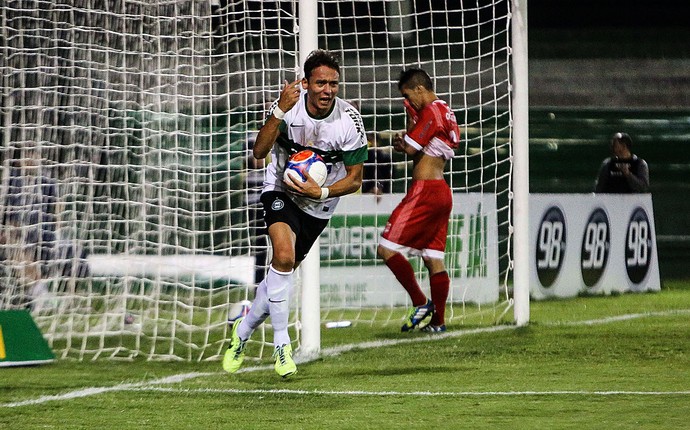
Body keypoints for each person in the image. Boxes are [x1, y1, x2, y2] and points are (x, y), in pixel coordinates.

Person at [222, 49, 368, 377]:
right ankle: (282, 345)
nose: (328, 90)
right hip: (280, 190)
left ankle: (241, 333)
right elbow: (259, 152)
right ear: (306, 83)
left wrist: (323, 191)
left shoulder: (348, 120)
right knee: (284, 258)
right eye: (320, 83)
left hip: (319, 204)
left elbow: (355, 179)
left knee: (280, 276)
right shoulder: (289, 111)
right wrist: (278, 110)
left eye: (333, 83)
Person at [377, 68, 461, 334]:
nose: (408, 100)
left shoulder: (431, 113)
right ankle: (438, 323)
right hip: (442, 191)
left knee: (386, 248)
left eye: (407, 95)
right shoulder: (444, 109)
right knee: (433, 258)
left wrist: (401, 141)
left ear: (419, 89)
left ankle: (420, 302)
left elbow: (411, 148)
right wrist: (410, 122)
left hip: (425, 191)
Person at [0, 145, 58, 312]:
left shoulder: (47, 182)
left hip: (39, 237)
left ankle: (39, 293)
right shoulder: (11, 180)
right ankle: (39, 294)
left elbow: (56, 211)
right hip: (14, 235)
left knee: (21, 252)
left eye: (35, 154)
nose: (32, 159)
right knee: (14, 245)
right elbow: (9, 217)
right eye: (28, 154)